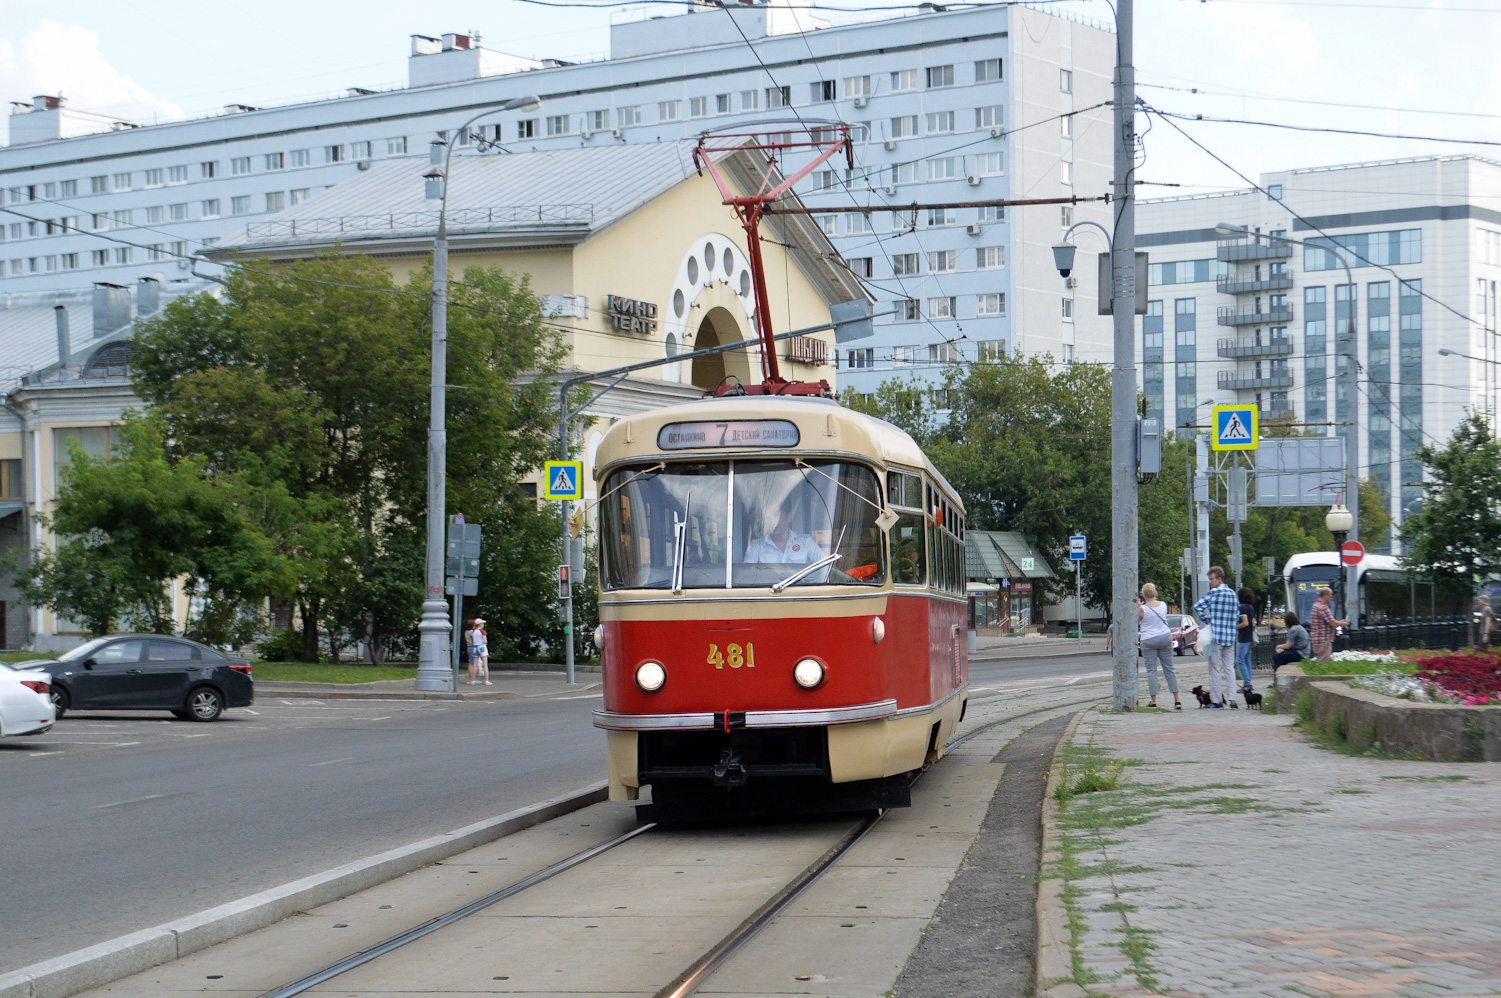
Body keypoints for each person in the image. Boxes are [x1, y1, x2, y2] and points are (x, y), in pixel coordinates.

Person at [1193, 566, 1241, 709]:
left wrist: (1208, 620)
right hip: (1230, 637)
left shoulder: (1214, 593)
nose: (1210, 582)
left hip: (1216, 636)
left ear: (1219, 578)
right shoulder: (1233, 594)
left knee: (1214, 668)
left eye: (1212, 579)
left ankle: (1217, 700)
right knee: (1229, 668)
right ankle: (1233, 700)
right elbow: (1237, 615)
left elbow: (1198, 606)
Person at [742, 492, 826, 564]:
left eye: (778, 516)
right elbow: (747, 575)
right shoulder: (756, 546)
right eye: (769, 518)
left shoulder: (806, 542)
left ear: (788, 517)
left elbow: (825, 567)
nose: (774, 522)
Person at [1138, 583, 1180, 709]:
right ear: (1155, 592)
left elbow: (1137, 621)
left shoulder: (1142, 609)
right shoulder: (1163, 605)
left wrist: (1139, 606)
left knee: (1151, 671)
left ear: (1144, 594)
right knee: (1169, 668)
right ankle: (1177, 699)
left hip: (1148, 639)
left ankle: (1154, 700)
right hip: (1165, 637)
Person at [1307, 588, 1348, 664]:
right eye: (1330, 595)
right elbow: (1332, 623)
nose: (1331, 598)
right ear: (1325, 595)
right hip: (1324, 640)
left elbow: (1325, 623)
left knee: (1319, 662)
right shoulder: (1323, 607)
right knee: (1324, 663)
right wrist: (1343, 624)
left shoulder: (1315, 605)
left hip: (1317, 639)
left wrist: (1339, 622)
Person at [1235, 586, 1257, 692]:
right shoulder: (1250, 607)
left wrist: (1235, 627)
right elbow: (1252, 623)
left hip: (1243, 637)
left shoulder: (1242, 607)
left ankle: (1247, 684)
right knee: (1247, 661)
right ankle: (1248, 682)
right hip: (1250, 637)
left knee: (1240, 660)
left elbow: (1245, 622)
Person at [466, 617, 491, 685]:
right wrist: (484, 642)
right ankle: (486, 680)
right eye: (482, 623)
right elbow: (485, 641)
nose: (483, 624)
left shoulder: (473, 632)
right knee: (485, 664)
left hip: (475, 647)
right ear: (480, 624)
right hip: (482, 647)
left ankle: (472, 680)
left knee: (475, 664)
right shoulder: (482, 631)